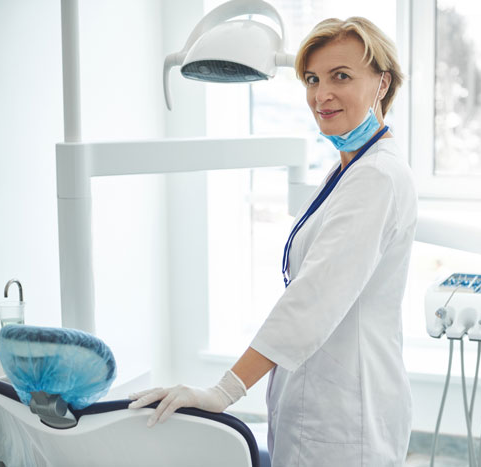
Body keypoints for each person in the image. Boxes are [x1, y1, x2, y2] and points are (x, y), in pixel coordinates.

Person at [129, 16, 417, 466]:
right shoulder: (349, 171)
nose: (321, 94)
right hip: (322, 405)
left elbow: (313, 298)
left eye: (341, 76)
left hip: (346, 421)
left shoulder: (376, 177)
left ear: (382, 83)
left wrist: (224, 390)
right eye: (312, 79)